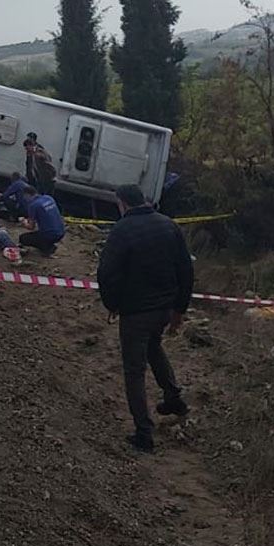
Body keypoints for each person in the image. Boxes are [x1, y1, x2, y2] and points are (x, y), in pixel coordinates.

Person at [95, 184, 193, 453]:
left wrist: (112, 303)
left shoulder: (122, 229)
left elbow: (106, 272)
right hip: (163, 309)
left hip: (136, 312)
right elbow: (186, 269)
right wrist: (179, 309)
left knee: (134, 371)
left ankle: (143, 433)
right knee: (153, 347)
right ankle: (173, 398)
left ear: (122, 203)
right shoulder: (169, 225)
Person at [18, 184, 66, 256]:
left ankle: (47, 248)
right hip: (61, 232)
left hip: (50, 234)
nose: (24, 199)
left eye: (24, 197)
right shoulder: (48, 198)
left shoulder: (33, 205)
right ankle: (48, 244)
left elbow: (31, 227)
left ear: (27, 195)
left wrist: (23, 222)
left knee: (23, 238)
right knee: (39, 234)